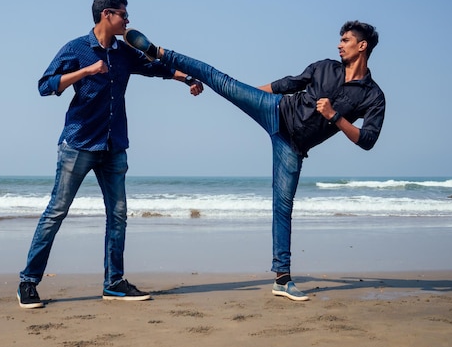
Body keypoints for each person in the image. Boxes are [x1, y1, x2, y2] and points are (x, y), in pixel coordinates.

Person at [124, 22, 385, 301]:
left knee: (283, 208)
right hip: (274, 110)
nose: (338, 44)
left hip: (293, 146)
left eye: (345, 40)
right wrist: (243, 94)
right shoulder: (324, 67)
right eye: (340, 40)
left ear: (362, 46)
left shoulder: (372, 96)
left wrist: (335, 117)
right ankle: (157, 51)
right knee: (219, 79)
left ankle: (282, 280)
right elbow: (288, 84)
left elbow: (367, 140)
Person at [17, 0, 203, 309]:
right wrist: (85, 72)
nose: (128, 21)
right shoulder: (76, 48)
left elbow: (155, 68)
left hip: (114, 146)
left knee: (117, 216)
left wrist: (186, 79)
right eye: (123, 15)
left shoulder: (124, 52)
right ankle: (28, 282)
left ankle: (114, 283)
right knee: (56, 213)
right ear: (107, 15)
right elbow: (45, 85)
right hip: (78, 144)